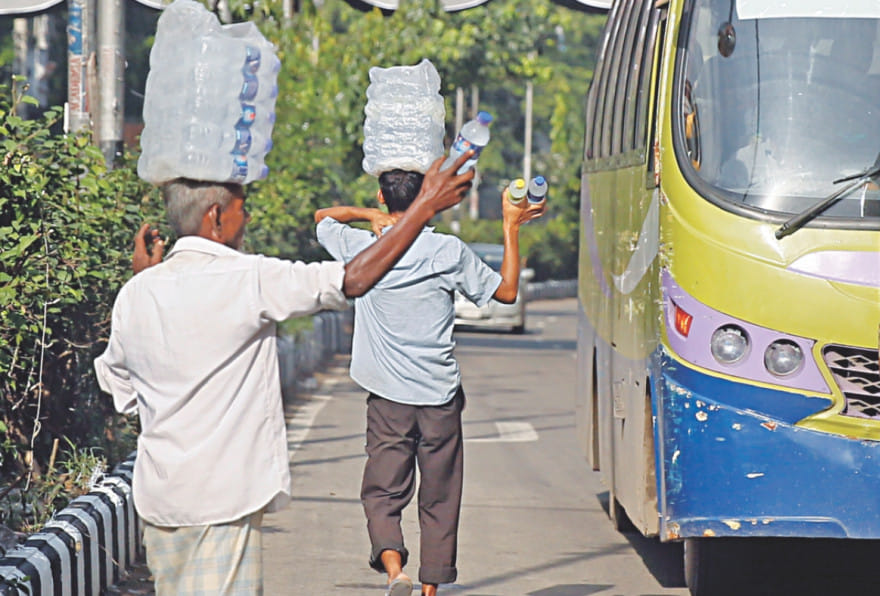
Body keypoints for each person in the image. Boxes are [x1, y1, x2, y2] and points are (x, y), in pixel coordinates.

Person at [93, 153, 474, 596]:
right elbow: (351, 280)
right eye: (242, 209)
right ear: (215, 217)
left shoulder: (136, 293)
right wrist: (423, 209)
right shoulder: (248, 278)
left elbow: (121, 390)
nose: (248, 218)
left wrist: (146, 282)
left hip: (159, 502)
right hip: (221, 501)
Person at [314, 169, 544, 596]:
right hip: (439, 397)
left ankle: (395, 572)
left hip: (388, 398)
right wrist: (510, 225)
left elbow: (323, 216)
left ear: (382, 197)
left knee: (383, 491)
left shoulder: (362, 245)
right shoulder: (447, 251)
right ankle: (429, 589)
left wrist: (368, 215)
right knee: (440, 496)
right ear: (428, 197)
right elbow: (507, 292)